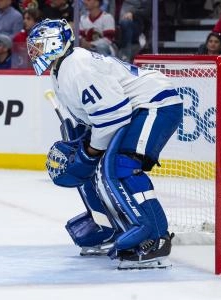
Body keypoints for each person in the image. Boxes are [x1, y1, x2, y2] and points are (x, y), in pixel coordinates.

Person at [27, 19, 181, 269]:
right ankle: (110, 227)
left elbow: (113, 117)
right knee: (100, 170)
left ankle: (155, 238)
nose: (33, 53)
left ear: (54, 43)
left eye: (38, 46)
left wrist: (88, 153)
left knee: (122, 167)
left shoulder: (77, 67)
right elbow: (94, 118)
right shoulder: (63, 67)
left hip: (156, 104)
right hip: (140, 107)